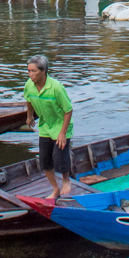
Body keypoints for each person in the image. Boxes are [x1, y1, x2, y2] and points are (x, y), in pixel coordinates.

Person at [23, 54, 74, 199]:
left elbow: (68, 110)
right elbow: (29, 100)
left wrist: (63, 133)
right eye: (29, 71)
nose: (31, 75)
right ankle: (55, 189)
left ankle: (66, 180)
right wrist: (29, 116)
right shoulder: (29, 85)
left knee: (59, 157)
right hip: (45, 126)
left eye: (34, 71)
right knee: (45, 161)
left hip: (61, 125)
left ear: (44, 71)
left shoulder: (56, 88)